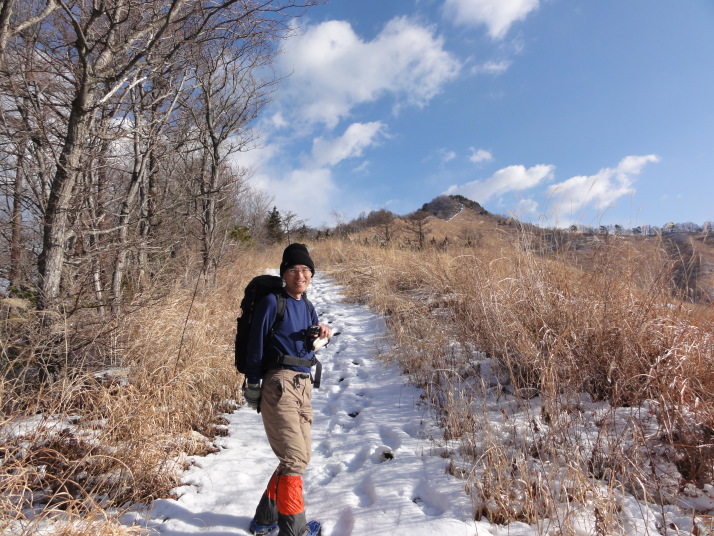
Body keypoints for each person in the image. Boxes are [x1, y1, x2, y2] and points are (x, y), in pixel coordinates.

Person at [243, 243, 331, 536]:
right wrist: (253, 382)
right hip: (279, 385)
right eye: (293, 269)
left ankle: (265, 520)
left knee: (299, 457)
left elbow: (305, 344)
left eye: (306, 269)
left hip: (303, 385)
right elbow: (256, 344)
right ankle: (295, 531)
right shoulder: (272, 302)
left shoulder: (307, 305)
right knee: (294, 459)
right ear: (284, 274)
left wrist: (320, 336)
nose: (300, 274)